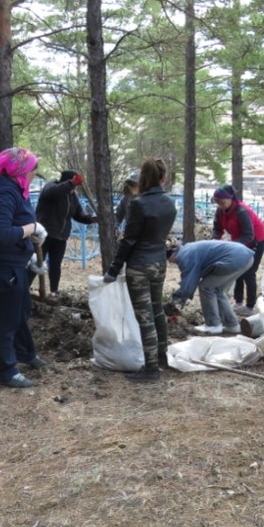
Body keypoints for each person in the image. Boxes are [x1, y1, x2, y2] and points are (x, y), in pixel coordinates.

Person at [0, 147, 49, 388]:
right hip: (2, 266)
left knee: (21, 310)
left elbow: (16, 226)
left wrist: (29, 257)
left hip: (14, 263)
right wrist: (33, 228)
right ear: (20, 170)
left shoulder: (13, 190)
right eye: (32, 171)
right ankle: (7, 372)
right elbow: (1, 233)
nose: (33, 175)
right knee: (6, 319)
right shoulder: (3, 194)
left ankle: (24, 353)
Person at [102, 158, 178, 382]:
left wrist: (114, 270)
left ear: (143, 178)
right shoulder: (169, 203)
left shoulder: (138, 204)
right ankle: (162, 356)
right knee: (157, 311)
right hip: (159, 264)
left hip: (140, 266)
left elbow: (129, 241)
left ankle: (151, 369)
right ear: (163, 178)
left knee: (144, 317)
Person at [168, 240, 255, 336]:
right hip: (244, 257)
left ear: (172, 254)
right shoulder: (187, 249)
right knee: (217, 290)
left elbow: (189, 283)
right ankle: (231, 325)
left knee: (206, 287)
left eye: (169, 261)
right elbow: (192, 277)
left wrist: (176, 301)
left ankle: (213, 325)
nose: (171, 263)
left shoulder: (184, 256)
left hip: (234, 259)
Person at [35, 169, 98, 297]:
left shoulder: (72, 197)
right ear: (67, 182)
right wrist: (71, 183)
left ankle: (54, 292)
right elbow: (52, 192)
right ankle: (23, 290)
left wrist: (91, 218)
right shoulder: (51, 187)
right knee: (35, 263)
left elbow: (79, 214)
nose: (74, 189)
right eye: (73, 185)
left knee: (55, 265)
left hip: (61, 237)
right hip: (44, 235)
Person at [211, 184, 264, 316]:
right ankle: (238, 302)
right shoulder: (220, 211)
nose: (220, 205)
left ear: (230, 199)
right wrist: (214, 240)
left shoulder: (242, 211)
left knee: (249, 272)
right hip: (239, 241)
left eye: (222, 202)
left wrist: (232, 246)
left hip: (255, 240)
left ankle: (250, 306)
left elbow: (249, 235)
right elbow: (217, 228)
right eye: (217, 202)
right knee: (238, 271)